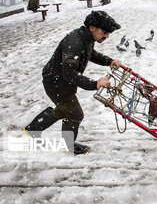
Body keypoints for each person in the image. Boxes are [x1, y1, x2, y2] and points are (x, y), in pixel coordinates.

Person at [24, 11, 122, 155]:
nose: (107, 36)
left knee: (65, 109)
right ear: (92, 27)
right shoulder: (74, 42)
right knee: (75, 114)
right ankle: (68, 145)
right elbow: (69, 73)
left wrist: (109, 61)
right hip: (56, 82)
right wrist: (95, 84)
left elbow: (91, 54)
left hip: (61, 80)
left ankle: (33, 129)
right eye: (105, 32)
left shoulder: (86, 39)